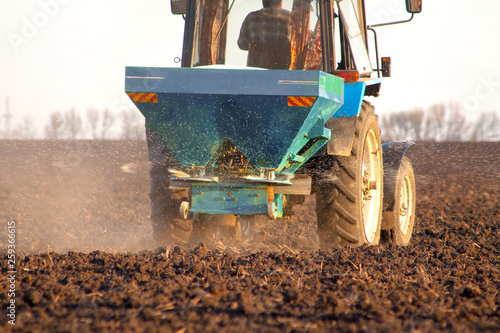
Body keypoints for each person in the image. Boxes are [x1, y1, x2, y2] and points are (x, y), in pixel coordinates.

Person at [238, 0, 292, 69]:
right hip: (282, 71)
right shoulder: (290, 17)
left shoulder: (251, 17)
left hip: (257, 71)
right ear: (280, 1)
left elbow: (242, 44)